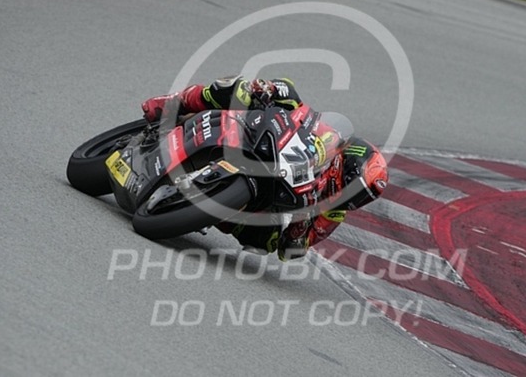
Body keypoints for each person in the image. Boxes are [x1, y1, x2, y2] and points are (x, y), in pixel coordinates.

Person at [141, 75, 388, 260]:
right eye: (357, 190)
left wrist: (299, 230)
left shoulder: (334, 212)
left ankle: (202, 210)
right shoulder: (330, 137)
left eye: (361, 199)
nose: (353, 200)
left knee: (265, 241)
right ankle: (175, 103)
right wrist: (272, 89)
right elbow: (300, 107)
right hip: (267, 142)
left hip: (275, 195)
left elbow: (293, 249)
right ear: (348, 162)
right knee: (239, 89)